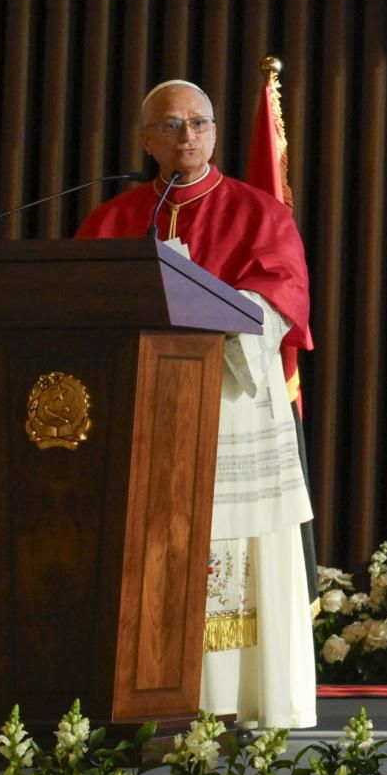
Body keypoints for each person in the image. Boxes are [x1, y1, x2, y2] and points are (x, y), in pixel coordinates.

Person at [76, 80, 316, 728]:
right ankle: (141, 689)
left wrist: (208, 308)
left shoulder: (259, 213)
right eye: (172, 125)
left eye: (200, 123)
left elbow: (283, 299)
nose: (188, 136)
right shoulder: (113, 219)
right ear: (146, 140)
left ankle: (236, 699)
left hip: (229, 404)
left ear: (214, 133)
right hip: (139, 417)